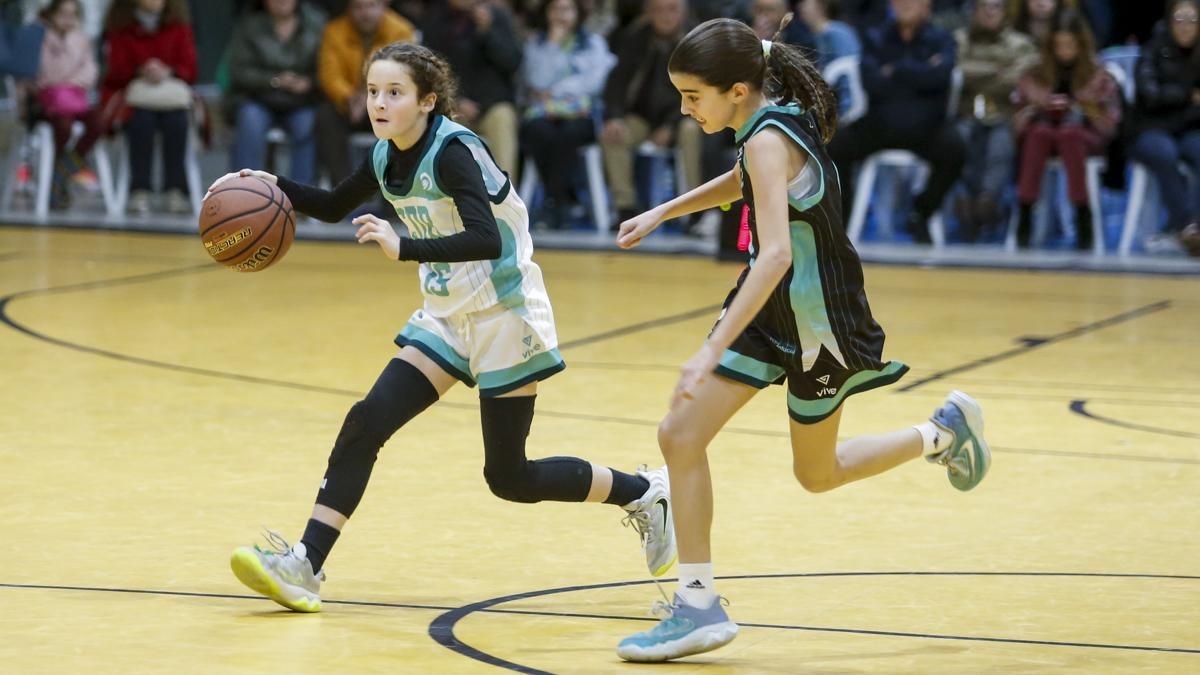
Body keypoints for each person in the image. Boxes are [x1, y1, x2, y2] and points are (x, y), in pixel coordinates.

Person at [206, 42, 676, 613]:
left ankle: (644, 493)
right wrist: (272, 186)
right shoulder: (386, 153)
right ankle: (305, 562)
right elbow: (332, 206)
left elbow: (488, 238)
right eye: (373, 91)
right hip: (448, 315)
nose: (379, 103)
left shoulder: (455, 152)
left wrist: (403, 245)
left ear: (428, 101)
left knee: (510, 477)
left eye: (394, 93)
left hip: (506, 312)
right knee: (366, 422)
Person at [610, 16, 991, 662]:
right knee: (679, 434)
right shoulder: (769, 117)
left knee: (818, 473)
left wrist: (708, 349)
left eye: (692, 96)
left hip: (819, 325)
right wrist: (664, 210)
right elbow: (747, 186)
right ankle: (698, 605)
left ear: (735, 90)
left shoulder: (765, 137)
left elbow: (776, 253)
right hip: (770, 318)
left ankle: (943, 432)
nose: (683, 108)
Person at [827, 0, 966, 244]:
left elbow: (942, 75)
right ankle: (840, 225)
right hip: (880, 123)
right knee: (835, 146)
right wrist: (921, 72)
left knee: (957, 149)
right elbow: (871, 81)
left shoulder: (942, 38)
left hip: (927, 126)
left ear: (927, 6)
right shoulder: (876, 36)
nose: (906, 4)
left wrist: (895, 71)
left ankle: (921, 212)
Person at [1012, 9, 1120, 249]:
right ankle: (1025, 213)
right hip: (1045, 134)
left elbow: (1111, 125)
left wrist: (1083, 109)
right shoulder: (1034, 73)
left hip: (1085, 137)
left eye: (1070, 45)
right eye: (1059, 45)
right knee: (1038, 133)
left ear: (1081, 44)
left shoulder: (1099, 75)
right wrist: (1039, 107)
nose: (1064, 51)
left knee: (1069, 134)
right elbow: (1017, 118)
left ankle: (1082, 214)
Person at [519, 0, 615, 229]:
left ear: (578, 13)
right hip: (542, 114)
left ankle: (554, 203)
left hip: (581, 114)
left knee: (569, 134)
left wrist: (556, 93)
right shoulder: (537, 44)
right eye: (555, 9)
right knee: (538, 132)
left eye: (567, 9)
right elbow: (536, 80)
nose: (561, 15)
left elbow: (595, 83)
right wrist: (553, 45)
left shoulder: (593, 43)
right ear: (546, 13)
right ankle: (562, 202)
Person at [100, 0, 197, 215]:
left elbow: (190, 68)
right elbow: (114, 71)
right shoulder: (120, 26)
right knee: (140, 121)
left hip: (170, 94)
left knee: (177, 121)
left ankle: (176, 191)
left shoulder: (179, 25)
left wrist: (168, 71)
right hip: (133, 94)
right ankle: (139, 190)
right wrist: (142, 70)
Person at [953, 0, 1036, 239]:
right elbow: (956, 70)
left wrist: (976, 74)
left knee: (1002, 143)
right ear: (974, 11)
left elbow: (1023, 75)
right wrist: (996, 70)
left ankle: (987, 203)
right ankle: (966, 203)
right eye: (984, 6)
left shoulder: (1020, 43)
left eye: (996, 6)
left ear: (1004, 11)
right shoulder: (959, 39)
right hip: (966, 113)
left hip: (1005, 113)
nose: (990, 11)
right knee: (958, 138)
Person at [316, 0, 417, 182]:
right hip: (349, 106)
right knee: (325, 116)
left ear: (384, 5)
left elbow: (403, 74)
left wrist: (372, 98)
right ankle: (343, 190)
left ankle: (394, 195)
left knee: (405, 118)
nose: (365, 13)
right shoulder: (334, 31)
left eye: (371, 6)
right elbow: (330, 75)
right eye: (358, 7)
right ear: (349, 8)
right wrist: (349, 98)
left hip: (386, 102)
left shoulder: (401, 30)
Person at [226, 0, 324, 186]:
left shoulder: (317, 24)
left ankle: (303, 197)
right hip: (258, 97)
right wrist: (275, 81)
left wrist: (309, 82)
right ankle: (245, 191)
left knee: (309, 123)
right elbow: (238, 71)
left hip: (301, 101)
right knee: (250, 120)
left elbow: (328, 68)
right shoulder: (249, 25)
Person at [1129, 0, 1200, 255]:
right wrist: (1185, 95)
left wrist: (1182, 105)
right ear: (1169, 22)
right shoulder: (1153, 50)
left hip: (1188, 128)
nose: (1186, 26)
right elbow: (1149, 96)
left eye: (1192, 20)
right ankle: (1186, 227)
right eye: (1180, 19)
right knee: (1164, 153)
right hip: (1150, 128)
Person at [33, 0, 101, 210]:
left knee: (98, 123)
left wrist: (70, 82)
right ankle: (57, 170)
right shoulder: (39, 37)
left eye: (72, 15)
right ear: (51, 14)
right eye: (63, 14)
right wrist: (63, 80)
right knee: (63, 126)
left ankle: (63, 170)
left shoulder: (81, 39)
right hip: (47, 101)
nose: (67, 20)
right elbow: (43, 72)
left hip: (74, 97)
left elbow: (90, 70)